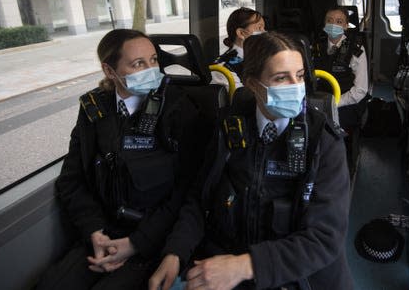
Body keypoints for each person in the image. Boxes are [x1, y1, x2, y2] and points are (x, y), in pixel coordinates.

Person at [150, 31, 353, 290]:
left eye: (300, 76)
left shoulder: (323, 142)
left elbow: (325, 238)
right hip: (229, 265)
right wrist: (175, 252)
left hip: (298, 276)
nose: (295, 86)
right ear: (253, 84)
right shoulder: (229, 127)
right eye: (281, 78)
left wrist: (246, 266)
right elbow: (201, 201)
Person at [37, 29, 203, 290]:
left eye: (153, 60)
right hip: (104, 232)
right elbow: (73, 179)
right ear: (109, 71)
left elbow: (190, 191)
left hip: (154, 237)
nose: (151, 70)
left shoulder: (178, 109)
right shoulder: (94, 109)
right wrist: (94, 232)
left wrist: (137, 243)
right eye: (138, 63)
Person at [313, 6, 369, 170]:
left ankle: (340, 166)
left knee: (332, 126)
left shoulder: (357, 49)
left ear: (345, 26)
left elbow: (360, 90)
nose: (333, 24)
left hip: (346, 102)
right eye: (329, 20)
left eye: (339, 21)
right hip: (319, 99)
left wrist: (334, 103)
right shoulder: (316, 46)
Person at [211, 7, 266, 91]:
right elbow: (242, 100)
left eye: (263, 28)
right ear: (241, 33)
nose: (264, 32)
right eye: (259, 28)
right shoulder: (224, 67)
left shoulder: (264, 57)